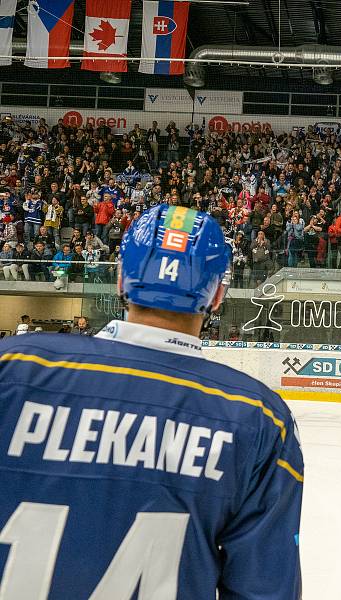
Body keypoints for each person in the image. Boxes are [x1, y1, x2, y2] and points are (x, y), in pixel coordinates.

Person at [0, 204, 303, 598]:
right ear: (217, 296)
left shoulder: (15, 368)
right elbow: (265, 590)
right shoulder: (258, 420)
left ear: (122, 278)